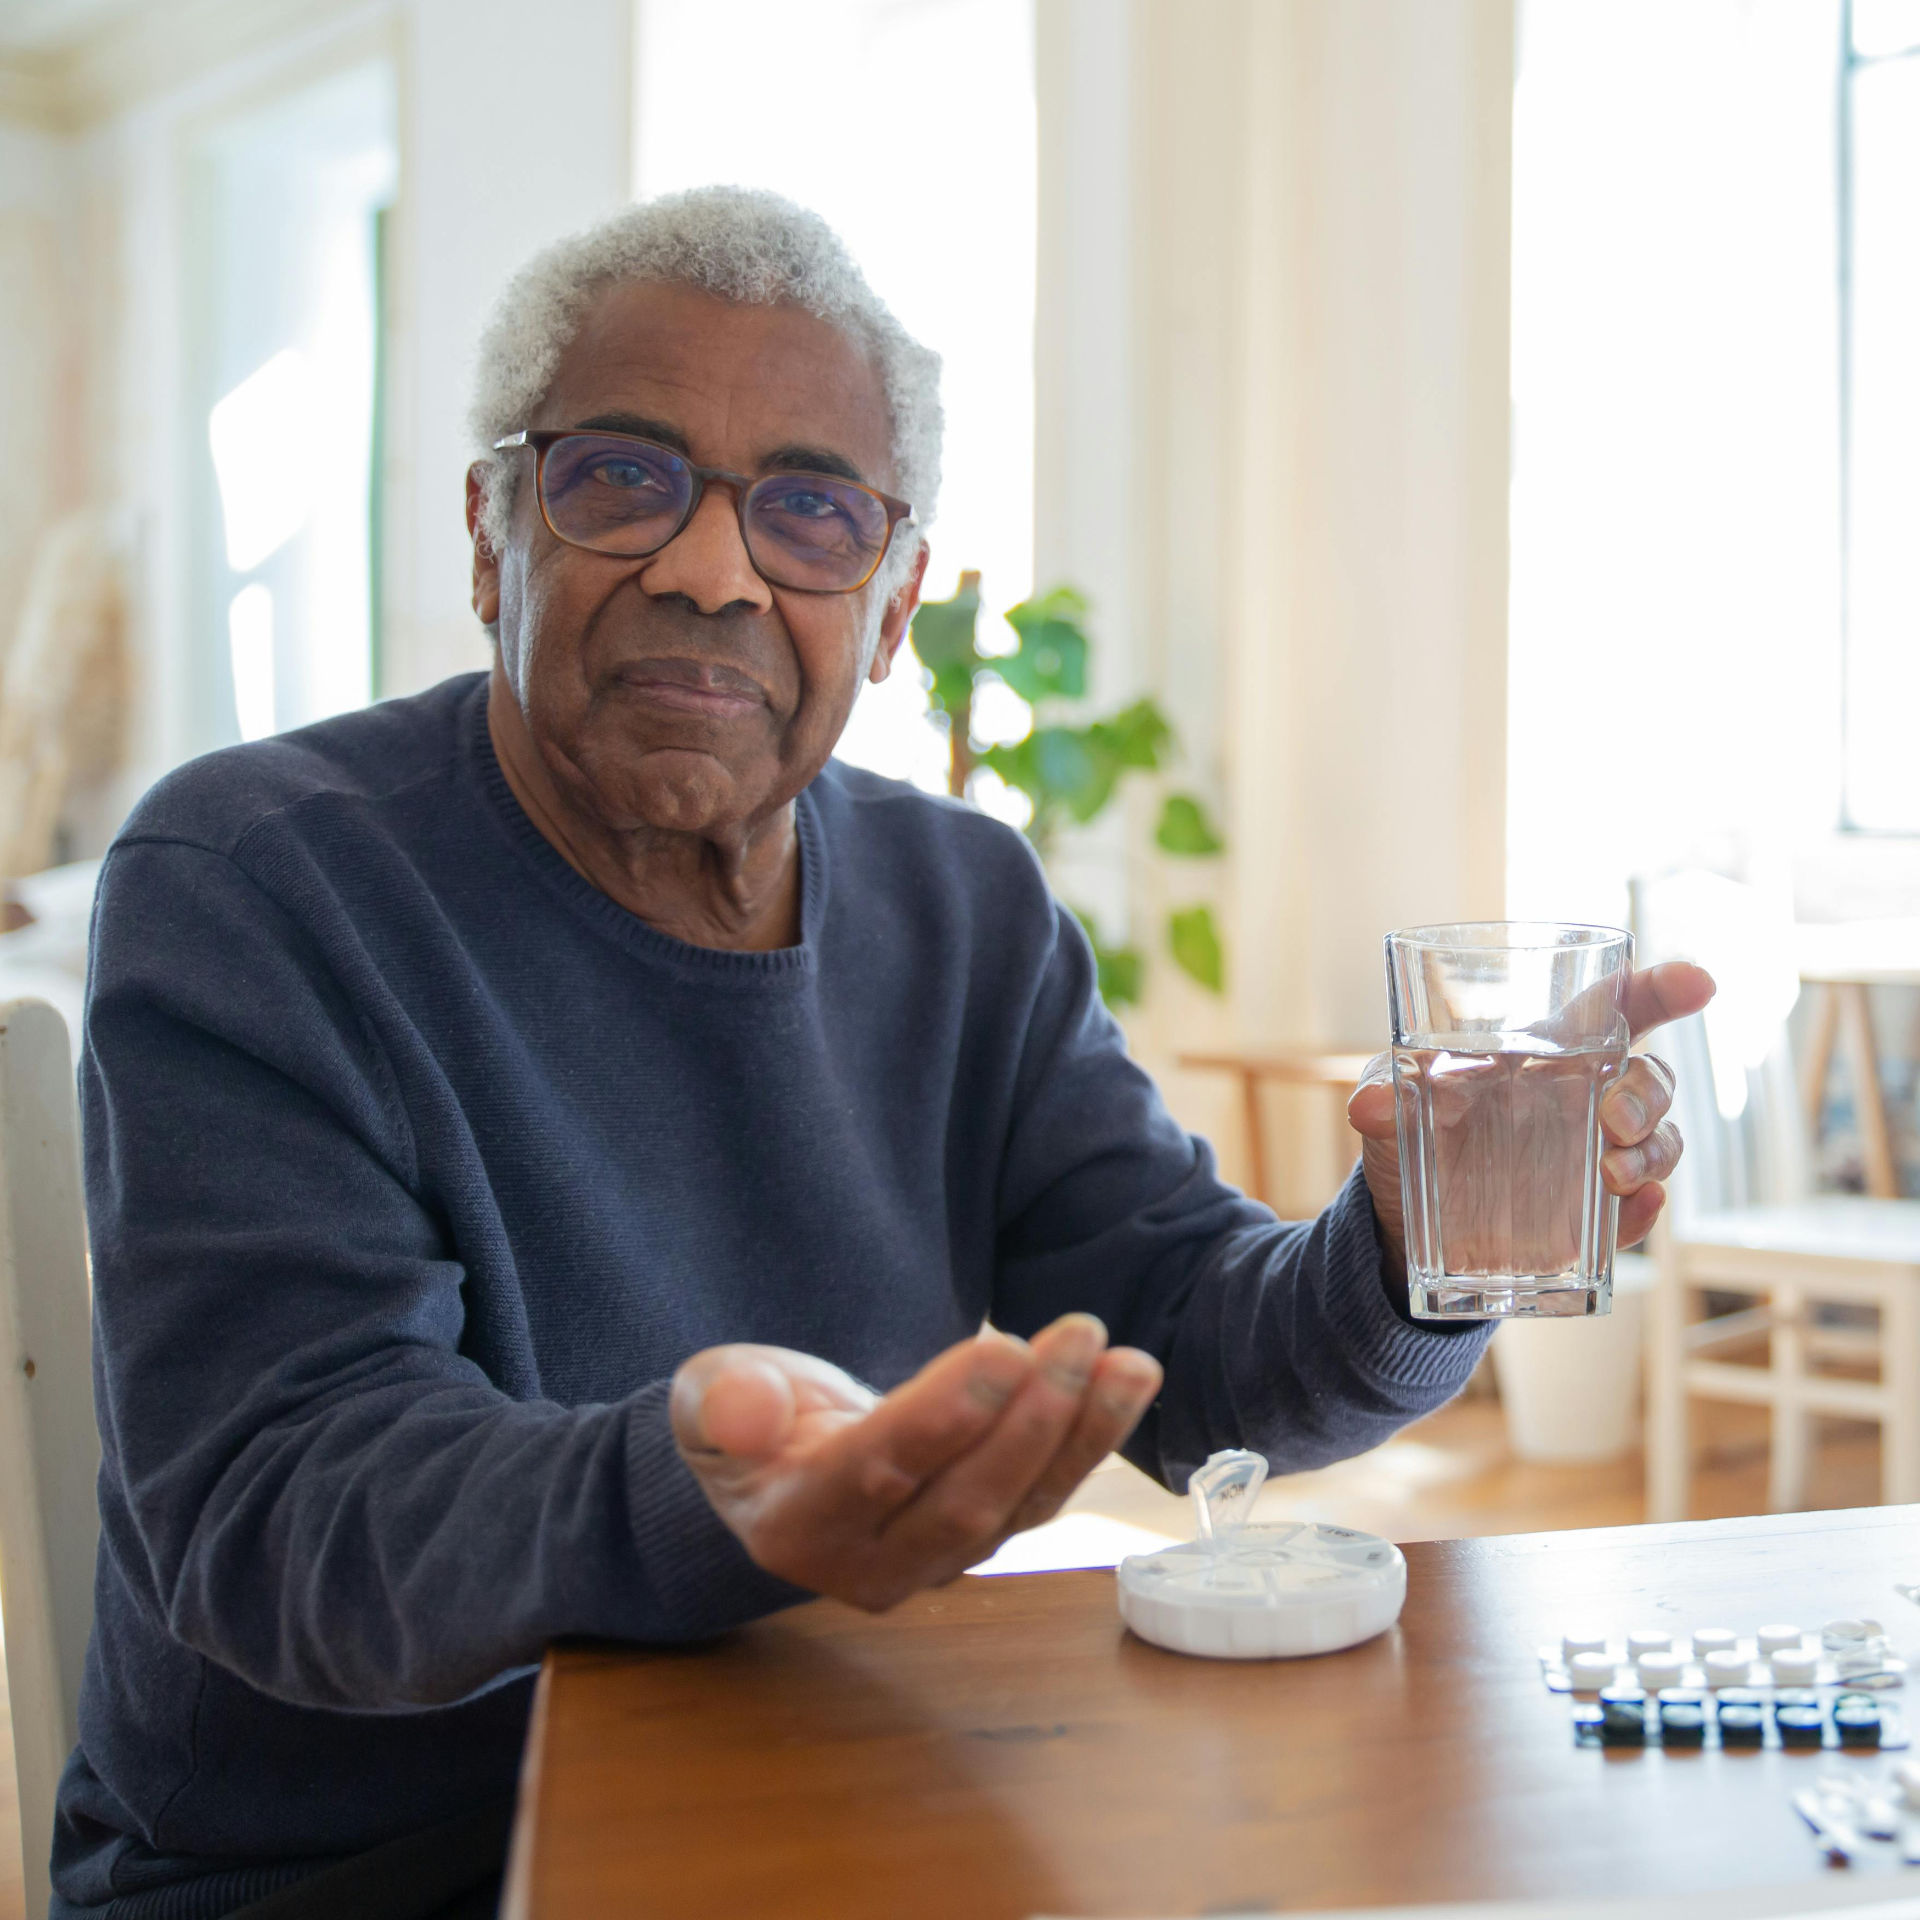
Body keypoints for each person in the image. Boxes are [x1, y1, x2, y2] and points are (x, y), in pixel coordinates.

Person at [53, 187, 1708, 1919]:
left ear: (895, 602)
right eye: (621, 479)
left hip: (806, 1792)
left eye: (811, 514)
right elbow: (282, 1514)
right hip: (358, 1874)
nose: (712, 570)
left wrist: (1407, 1249)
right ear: (491, 533)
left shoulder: (964, 904)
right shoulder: (257, 879)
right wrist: (706, 1498)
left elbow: (1206, 1363)